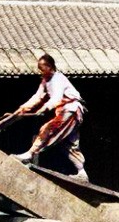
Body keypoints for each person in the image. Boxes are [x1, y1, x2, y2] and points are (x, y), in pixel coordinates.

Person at [11, 53, 89, 181]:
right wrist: (22, 108)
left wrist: (45, 108)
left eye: (42, 67)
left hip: (71, 109)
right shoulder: (45, 81)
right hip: (68, 112)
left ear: (49, 66)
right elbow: (37, 97)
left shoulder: (58, 79)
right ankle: (82, 172)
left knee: (48, 129)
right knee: (68, 143)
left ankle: (29, 154)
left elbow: (56, 98)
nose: (40, 70)